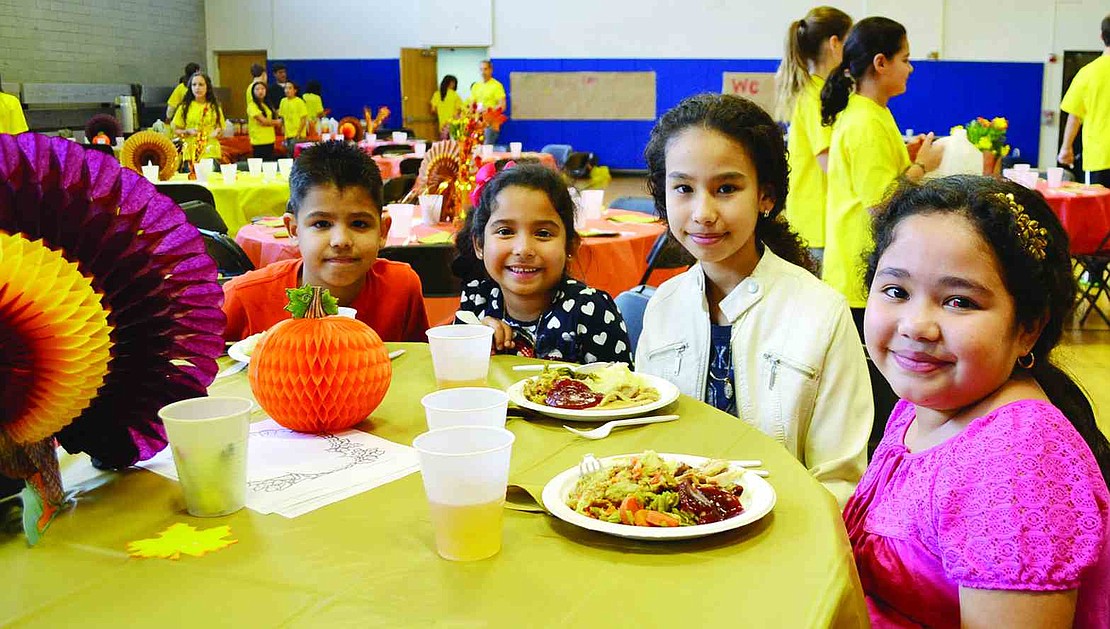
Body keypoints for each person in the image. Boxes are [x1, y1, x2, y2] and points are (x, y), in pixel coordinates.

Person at [845, 175, 1110, 628]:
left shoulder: (1017, 463)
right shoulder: (930, 400)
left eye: (959, 302)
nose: (916, 326)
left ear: (1027, 327)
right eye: (896, 291)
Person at [637, 93, 872, 507]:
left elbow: (840, 482)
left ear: (765, 195)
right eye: (683, 188)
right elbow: (648, 445)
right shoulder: (664, 305)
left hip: (785, 539)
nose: (703, 212)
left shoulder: (822, 313)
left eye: (726, 188)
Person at [222, 141, 430, 342]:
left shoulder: (401, 288)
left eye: (359, 224)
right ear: (293, 230)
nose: (341, 241)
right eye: (321, 224)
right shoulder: (245, 298)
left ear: (383, 231)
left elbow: (417, 366)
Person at [820, 16, 943, 325]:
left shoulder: (875, 112)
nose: (910, 68)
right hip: (857, 269)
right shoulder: (865, 123)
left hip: (866, 264)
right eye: (905, 59)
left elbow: (885, 177)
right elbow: (881, 202)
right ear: (880, 63)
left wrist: (908, 158)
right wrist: (922, 166)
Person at [454, 163, 633, 364]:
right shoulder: (477, 299)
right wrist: (473, 340)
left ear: (570, 247)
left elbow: (621, 388)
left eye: (543, 234)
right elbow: (454, 370)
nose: (523, 249)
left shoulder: (590, 310)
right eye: (505, 231)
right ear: (479, 245)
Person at [775, 6, 853, 266]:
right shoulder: (815, 95)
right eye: (849, 40)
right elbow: (828, 162)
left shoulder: (822, 90)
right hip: (815, 222)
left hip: (817, 218)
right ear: (835, 43)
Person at [1058, 14, 1110, 186]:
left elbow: (1075, 116)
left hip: (1100, 157)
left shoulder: (1088, 73)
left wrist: (1066, 148)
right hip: (1098, 157)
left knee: (1101, 211)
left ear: (1101, 37)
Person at [171, 72, 225, 165]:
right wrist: (187, 131)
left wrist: (217, 131)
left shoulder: (214, 107)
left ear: (207, 87)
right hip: (190, 152)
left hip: (210, 150)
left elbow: (221, 129)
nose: (197, 88)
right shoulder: (184, 107)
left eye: (201, 85)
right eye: (194, 85)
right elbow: (176, 130)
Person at [470, 60, 507, 145]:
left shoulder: (497, 86)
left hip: (490, 125)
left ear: (491, 70)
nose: (483, 72)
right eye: (481, 69)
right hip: (477, 124)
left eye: (485, 69)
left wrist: (487, 109)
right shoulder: (476, 86)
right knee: (476, 150)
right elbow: (472, 106)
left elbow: (503, 106)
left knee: (487, 149)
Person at [247, 81, 280, 159]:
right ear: (253, 92)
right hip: (259, 141)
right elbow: (263, 121)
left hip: (270, 139)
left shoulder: (267, 104)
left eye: (262, 89)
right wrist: (277, 122)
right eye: (257, 89)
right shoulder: (252, 106)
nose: (260, 91)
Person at [278, 81, 308, 156]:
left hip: (298, 135)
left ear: (295, 90)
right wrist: (283, 129)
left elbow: (303, 119)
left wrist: (298, 133)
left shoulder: (300, 102)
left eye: (290, 88)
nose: (287, 90)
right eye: (285, 88)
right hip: (287, 135)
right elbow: (282, 117)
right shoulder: (283, 101)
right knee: (289, 156)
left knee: (297, 156)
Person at [430, 75, 464, 139]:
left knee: (444, 146)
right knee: (453, 146)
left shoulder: (436, 94)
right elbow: (460, 110)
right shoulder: (454, 95)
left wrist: (441, 113)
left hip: (442, 126)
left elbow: (433, 110)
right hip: (453, 125)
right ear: (452, 83)